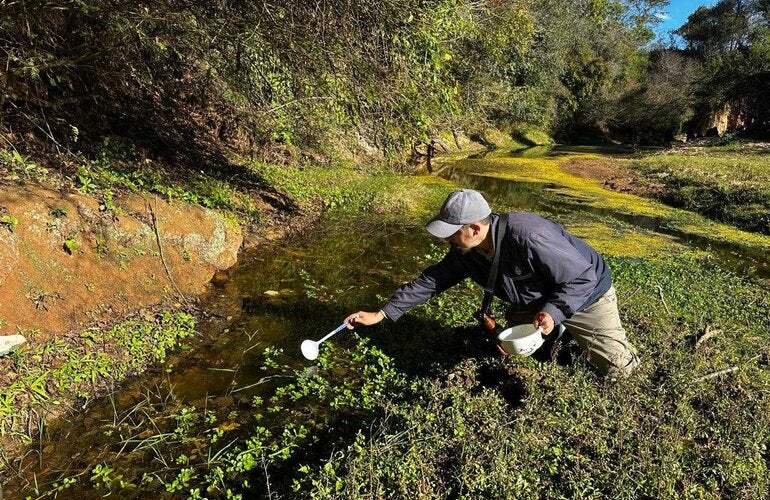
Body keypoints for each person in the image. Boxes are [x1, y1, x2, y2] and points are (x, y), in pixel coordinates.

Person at [345, 188, 639, 378]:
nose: (446, 239)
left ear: (474, 228)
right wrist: (383, 313)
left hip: (587, 295)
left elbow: (582, 277)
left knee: (618, 370)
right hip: (536, 296)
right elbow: (434, 279)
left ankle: (569, 328)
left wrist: (552, 312)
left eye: (451, 232)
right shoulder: (466, 250)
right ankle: (560, 332)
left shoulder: (529, 234)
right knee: (512, 347)